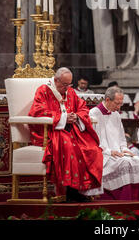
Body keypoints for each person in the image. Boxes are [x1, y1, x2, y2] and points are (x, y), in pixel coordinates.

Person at [28, 67, 103, 202]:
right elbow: (37, 111)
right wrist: (63, 118)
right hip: (51, 132)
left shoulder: (70, 92)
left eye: (70, 84)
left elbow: (83, 108)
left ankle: (82, 190)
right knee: (69, 147)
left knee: (92, 148)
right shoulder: (44, 91)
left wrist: (76, 116)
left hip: (71, 131)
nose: (67, 88)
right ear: (56, 80)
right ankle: (69, 192)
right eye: (64, 85)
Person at [89, 86, 139, 200]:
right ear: (107, 100)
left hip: (118, 153)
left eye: (121, 103)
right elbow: (93, 141)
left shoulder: (115, 114)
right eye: (117, 103)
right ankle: (124, 200)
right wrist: (109, 151)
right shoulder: (93, 114)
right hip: (103, 154)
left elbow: (121, 137)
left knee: (136, 160)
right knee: (125, 163)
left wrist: (125, 149)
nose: (119, 107)